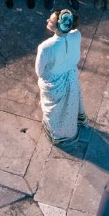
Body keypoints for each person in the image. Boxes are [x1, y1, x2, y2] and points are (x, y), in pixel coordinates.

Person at [35, 9, 86, 144]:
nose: (48, 20)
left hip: (54, 83)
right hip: (71, 77)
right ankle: (70, 128)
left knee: (55, 113)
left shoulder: (45, 47)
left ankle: (57, 134)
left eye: (51, 21)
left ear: (59, 26)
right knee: (70, 106)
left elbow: (39, 71)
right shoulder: (77, 34)